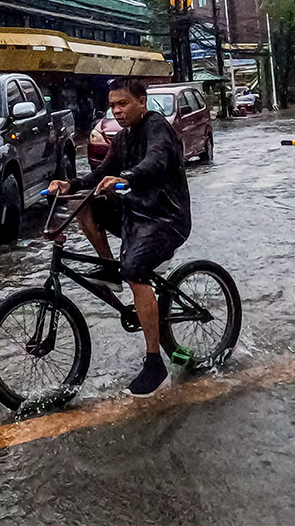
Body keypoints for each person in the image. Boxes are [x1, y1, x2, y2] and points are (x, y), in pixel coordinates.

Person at [47, 77, 191, 398]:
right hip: (135, 214)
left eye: (123, 104)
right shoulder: (123, 138)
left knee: (136, 271)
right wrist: (70, 184)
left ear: (142, 101)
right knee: (83, 202)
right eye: (113, 105)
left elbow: (154, 163)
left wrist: (125, 176)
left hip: (166, 218)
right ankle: (108, 267)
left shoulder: (158, 129)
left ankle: (155, 364)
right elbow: (100, 173)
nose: (117, 111)